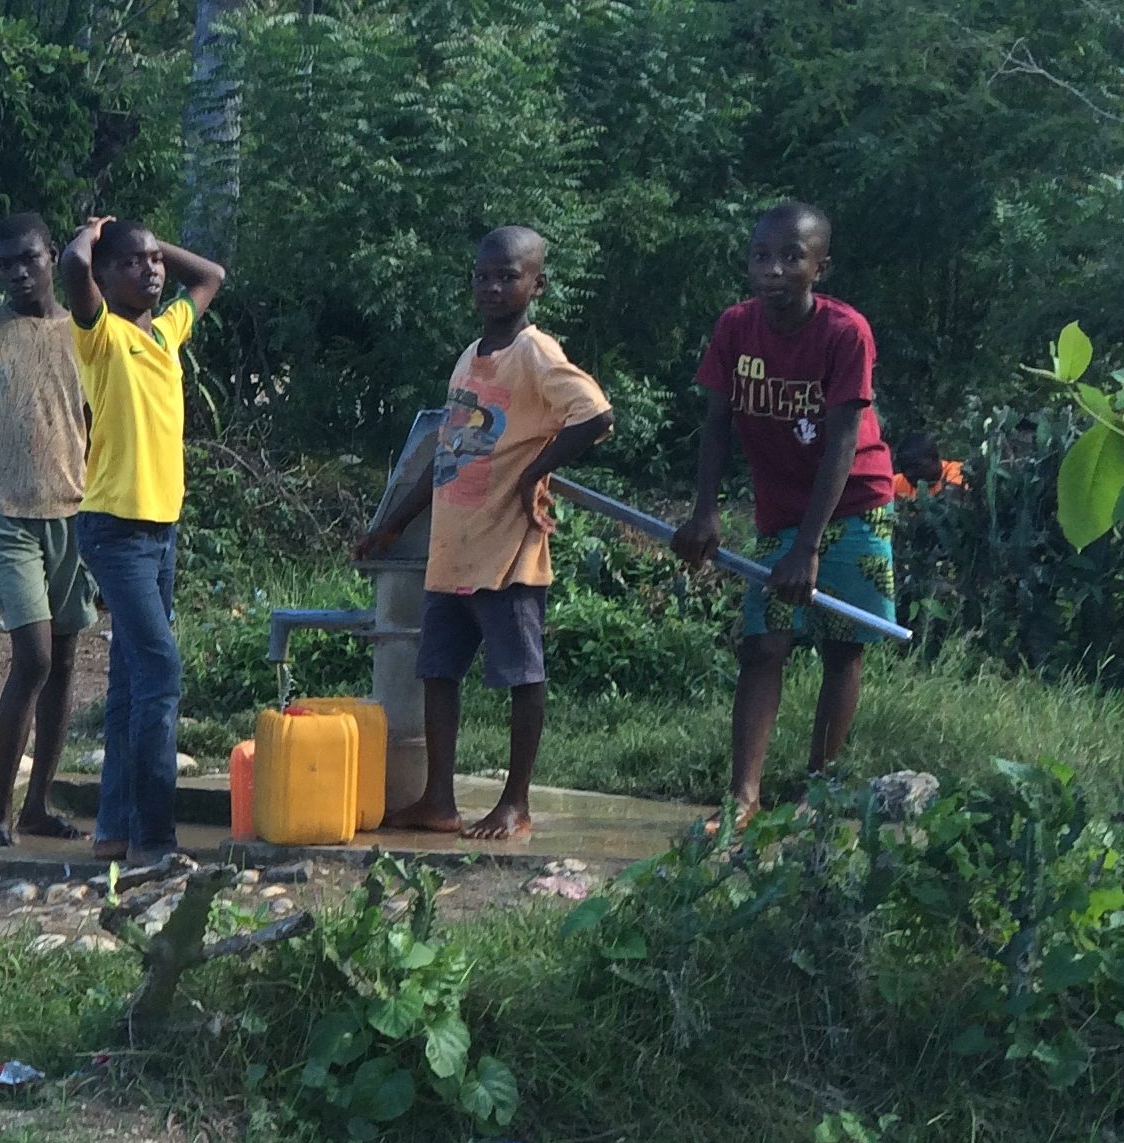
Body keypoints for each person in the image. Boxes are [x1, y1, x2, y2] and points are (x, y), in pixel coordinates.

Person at [354, 227, 615, 840]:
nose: (494, 286)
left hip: (507, 551)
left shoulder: (536, 354)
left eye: (509, 275)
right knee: (438, 671)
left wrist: (534, 472)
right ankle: (438, 798)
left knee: (520, 674)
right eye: (483, 275)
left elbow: (596, 415)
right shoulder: (471, 355)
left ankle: (515, 803)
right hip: (453, 548)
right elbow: (448, 454)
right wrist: (392, 525)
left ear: (536, 284)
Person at [675, 202, 898, 825]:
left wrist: (810, 546)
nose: (773, 270)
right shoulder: (735, 329)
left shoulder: (844, 332)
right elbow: (716, 424)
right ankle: (743, 798)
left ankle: (816, 794)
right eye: (761, 257)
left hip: (853, 503)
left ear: (819, 267)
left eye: (791, 258)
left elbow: (844, 440)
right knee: (762, 646)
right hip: (778, 510)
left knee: (840, 644)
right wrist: (705, 511)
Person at [60, 216, 227, 866]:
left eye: (154, 261)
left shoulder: (167, 332)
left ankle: (113, 828)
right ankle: (154, 842)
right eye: (131, 263)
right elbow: (74, 269)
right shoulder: (100, 336)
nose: (151, 270)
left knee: (131, 682)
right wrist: (91, 233)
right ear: (104, 278)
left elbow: (210, 276)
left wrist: (154, 240)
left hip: (162, 529)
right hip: (114, 530)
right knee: (159, 670)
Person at [0, 212, 95, 848]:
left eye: (27, 259)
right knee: (31, 656)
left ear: (51, 257)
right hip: (5, 514)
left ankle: (37, 805)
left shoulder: (87, 331)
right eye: (3, 263)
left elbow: (103, 425)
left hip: (76, 510)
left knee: (64, 661)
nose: (16, 272)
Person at [890, 432, 965, 499]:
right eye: (904, 468)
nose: (909, 474)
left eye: (917, 467)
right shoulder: (900, 482)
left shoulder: (958, 471)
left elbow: (950, 502)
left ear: (935, 458)